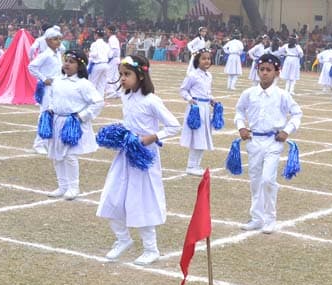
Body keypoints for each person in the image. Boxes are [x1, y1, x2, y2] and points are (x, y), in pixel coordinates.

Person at [97, 55, 181, 266]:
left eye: (127, 74)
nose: (123, 78)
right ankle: (123, 239)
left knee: (143, 200)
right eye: (121, 74)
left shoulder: (151, 100)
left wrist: (152, 137)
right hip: (126, 153)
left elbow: (174, 125)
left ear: (140, 76)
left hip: (145, 157)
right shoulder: (127, 96)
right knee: (112, 196)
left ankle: (151, 249)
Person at [234, 54, 303, 234]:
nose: (264, 73)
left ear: (276, 72)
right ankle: (257, 217)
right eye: (262, 69)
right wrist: (241, 127)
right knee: (255, 180)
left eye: (269, 70)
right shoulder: (249, 93)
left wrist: (287, 130)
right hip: (254, 140)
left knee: (267, 179)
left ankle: (270, 218)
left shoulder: (282, 95)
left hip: (273, 142)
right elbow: (239, 111)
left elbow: (297, 113)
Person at [43, 50, 106, 200]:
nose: (67, 64)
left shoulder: (84, 84)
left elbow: (98, 102)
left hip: (72, 124)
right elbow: (52, 97)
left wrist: (81, 116)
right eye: (66, 61)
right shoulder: (58, 81)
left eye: (72, 62)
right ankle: (62, 185)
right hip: (57, 121)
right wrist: (51, 110)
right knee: (56, 155)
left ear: (80, 66)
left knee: (70, 156)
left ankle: (73, 187)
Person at [179, 50, 217, 176]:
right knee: (197, 137)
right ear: (197, 61)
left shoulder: (209, 76)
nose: (207, 61)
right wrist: (190, 100)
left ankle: (196, 164)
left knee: (204, 136)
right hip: (196, 109)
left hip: (206, 108)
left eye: (209, 59)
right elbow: (183, 90)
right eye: (204, 59)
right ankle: (191, 165)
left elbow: (207, 92)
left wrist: (212, 99)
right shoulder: (192, 75)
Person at [28, 27, 65, 155]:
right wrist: (44, 79)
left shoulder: (58, 53)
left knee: (55, 114)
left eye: (59, 39)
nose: (58, 41)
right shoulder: (46, 54)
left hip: (58, 86)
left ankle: (48, 142)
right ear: (48, 41)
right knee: (45, 114)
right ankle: (39, 143)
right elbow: (32, 67)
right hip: (49, 88)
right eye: (55, 39)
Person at [87, 29, 111, 97]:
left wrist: (89, 54)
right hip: (105, 65)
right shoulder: (106, 44)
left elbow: (94, 54)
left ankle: (92, 98)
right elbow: (109, 55)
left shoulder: (94, 44)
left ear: (96, 35)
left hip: (98, 64)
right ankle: (100, 100)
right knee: (101, 84)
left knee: (92, 83)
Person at [105, 25, 121, 98]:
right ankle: (118, 91)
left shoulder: (112, 39)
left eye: (107, 30)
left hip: (113, 59)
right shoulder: (113, 39)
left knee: (108, 76)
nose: (106, 32)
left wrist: (109, 58)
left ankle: (111, 91)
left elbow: (114, 50)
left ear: (110, 31)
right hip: (115, 59)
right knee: (115, 76)